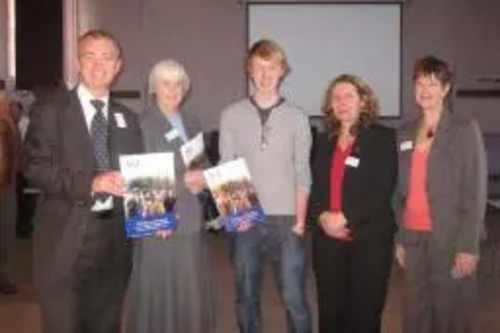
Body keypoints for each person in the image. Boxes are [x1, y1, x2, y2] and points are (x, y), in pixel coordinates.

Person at [23, 29, 143, 333]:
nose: (98, 64)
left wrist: (155, 216)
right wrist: (91, 184)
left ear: (118, 66)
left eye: (107, 57)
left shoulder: (128, 118)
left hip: (114, 244)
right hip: (66, 242)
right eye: (90, 56)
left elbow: (138, 177)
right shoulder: (51, 109)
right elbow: (34, 167)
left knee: (106, 325)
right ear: (78, 62)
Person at [219, 39, 312, 333]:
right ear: (249, 70)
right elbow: (226, 165)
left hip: (287, 221)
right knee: (246, 298)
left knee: (294, 298)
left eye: (271, 67)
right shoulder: (231, 114)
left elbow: (302, 170)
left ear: (282, 71)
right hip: (246, 217)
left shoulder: (298, 117)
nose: (265, 74)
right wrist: (237, 215)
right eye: (259, 67)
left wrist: (299, 221)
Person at [394, 56, 487, 333]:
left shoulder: (463, 129)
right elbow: (399, 192)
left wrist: (468, 246)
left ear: (446, 89)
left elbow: (475, 191)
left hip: (449, 235)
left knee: (450, 312)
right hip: (412, 235)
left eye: (433, 84)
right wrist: (399, 237)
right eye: (420, 83)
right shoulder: (404, 132)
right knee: (414, 310)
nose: (425, 90)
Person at [127, 59, 215, 333]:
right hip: (160, 221)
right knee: (160, 289)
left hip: (191, 218)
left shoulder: (191, 120)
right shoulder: (141, 123)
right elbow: (138, 175)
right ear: (154, 87)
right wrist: (181, 184)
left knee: (190, 287)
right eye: (166, 83)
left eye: (179, 83)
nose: (173, 89)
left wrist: (206, 180)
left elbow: (202, 163)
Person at [308, 74, 397, 333]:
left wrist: (345, 218)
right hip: (327, 240)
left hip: (369, 239)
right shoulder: (323, 140)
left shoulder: (382, 137)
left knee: (365, 311)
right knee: (330, 308)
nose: (342, 102)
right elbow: (313, 186)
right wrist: (322, 217)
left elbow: (382, 188)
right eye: (336, 97)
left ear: (363, 101)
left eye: (349, 96)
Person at [0, 83, 21, 294]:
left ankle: (2, 276)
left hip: (8, 189)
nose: (5, 103)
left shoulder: (10, 125)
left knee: (6, 235)